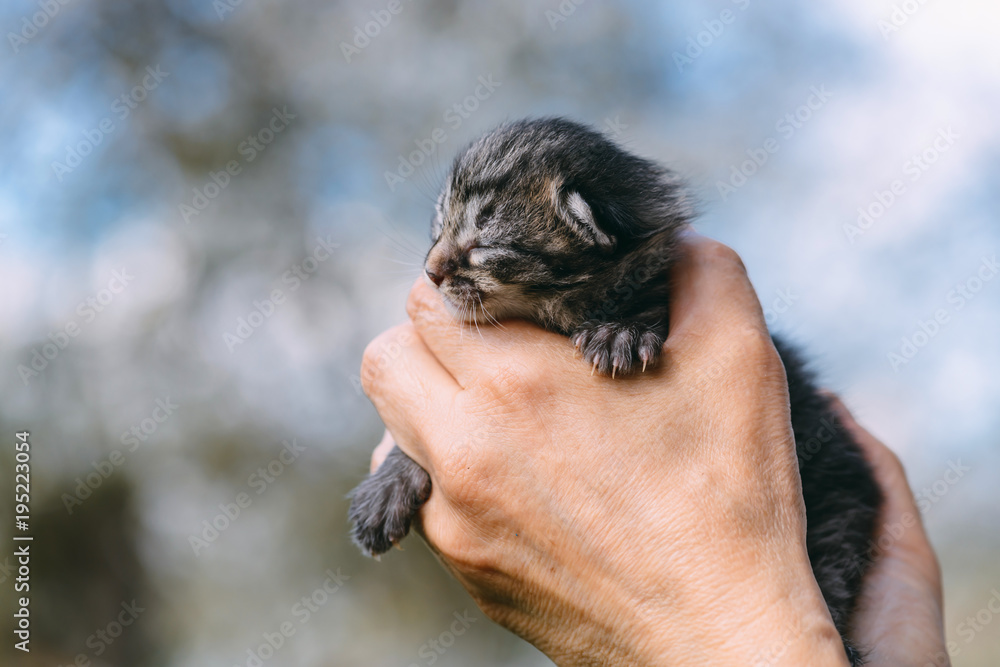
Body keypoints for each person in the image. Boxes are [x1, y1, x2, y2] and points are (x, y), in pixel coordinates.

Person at [360, 231, 948, 666]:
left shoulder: (674, 306)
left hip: (814, 522)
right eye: (440, 231)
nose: (434, 264)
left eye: (478, 241)